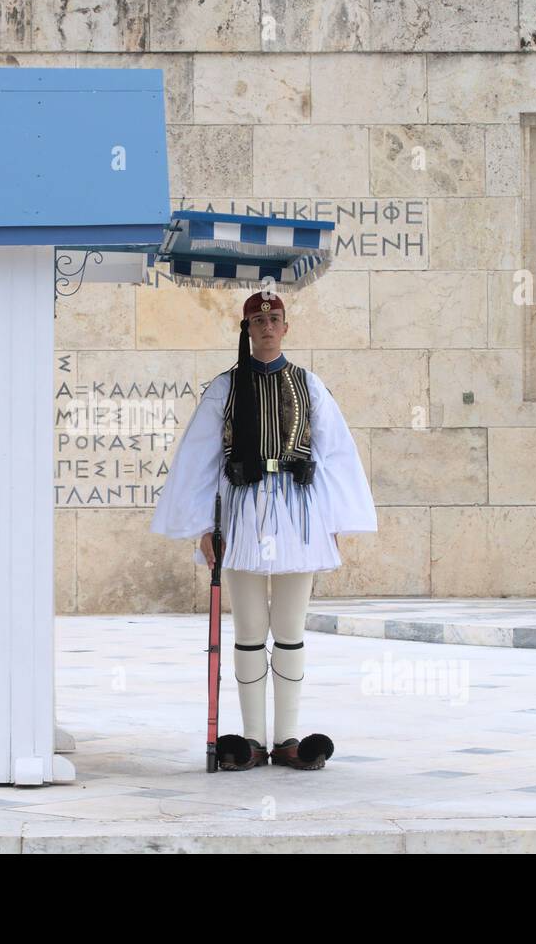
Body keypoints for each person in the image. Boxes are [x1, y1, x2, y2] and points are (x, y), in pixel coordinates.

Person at [150, 290, 377, 770]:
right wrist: (203, 529)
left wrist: (333, 522)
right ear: (247, 329)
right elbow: (199, 461)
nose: (268, 327)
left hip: (298, 514)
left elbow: (335, 457)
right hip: (242, 514)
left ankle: (288, 738)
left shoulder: (310, 385)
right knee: (251, 629)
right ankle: (253, 740)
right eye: (259, 320)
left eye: (275, 319)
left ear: (287, 328)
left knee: (291, 630)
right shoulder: (224, 388)